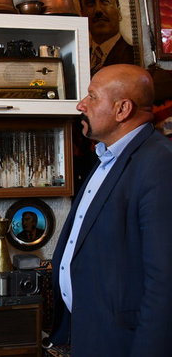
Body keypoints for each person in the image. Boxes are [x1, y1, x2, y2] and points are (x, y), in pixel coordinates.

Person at [48, 64, 172, 356]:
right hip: (91, 332)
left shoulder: (159, 165)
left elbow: (164, 280)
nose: (81, 105)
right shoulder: (108, 157)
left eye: (92, 96)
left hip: (124, 342)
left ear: (122, 109)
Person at [77, 0, 135, 74]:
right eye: (90, 3)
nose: (98, 10)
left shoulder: (132, 55)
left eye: (105, 1)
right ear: (82, 14)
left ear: (119, 12)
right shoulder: (79, 59)